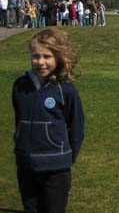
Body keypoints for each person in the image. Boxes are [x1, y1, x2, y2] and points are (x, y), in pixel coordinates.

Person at [12, 28, 84, 213]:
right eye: (36, 56)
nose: (41, 62)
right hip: (26, 166)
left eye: (47, 56)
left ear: (58, 58)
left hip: (56, 169)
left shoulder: (65, 90)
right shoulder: (20, 86)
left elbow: (76, 128)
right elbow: (19, 121)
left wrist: (66, 158)